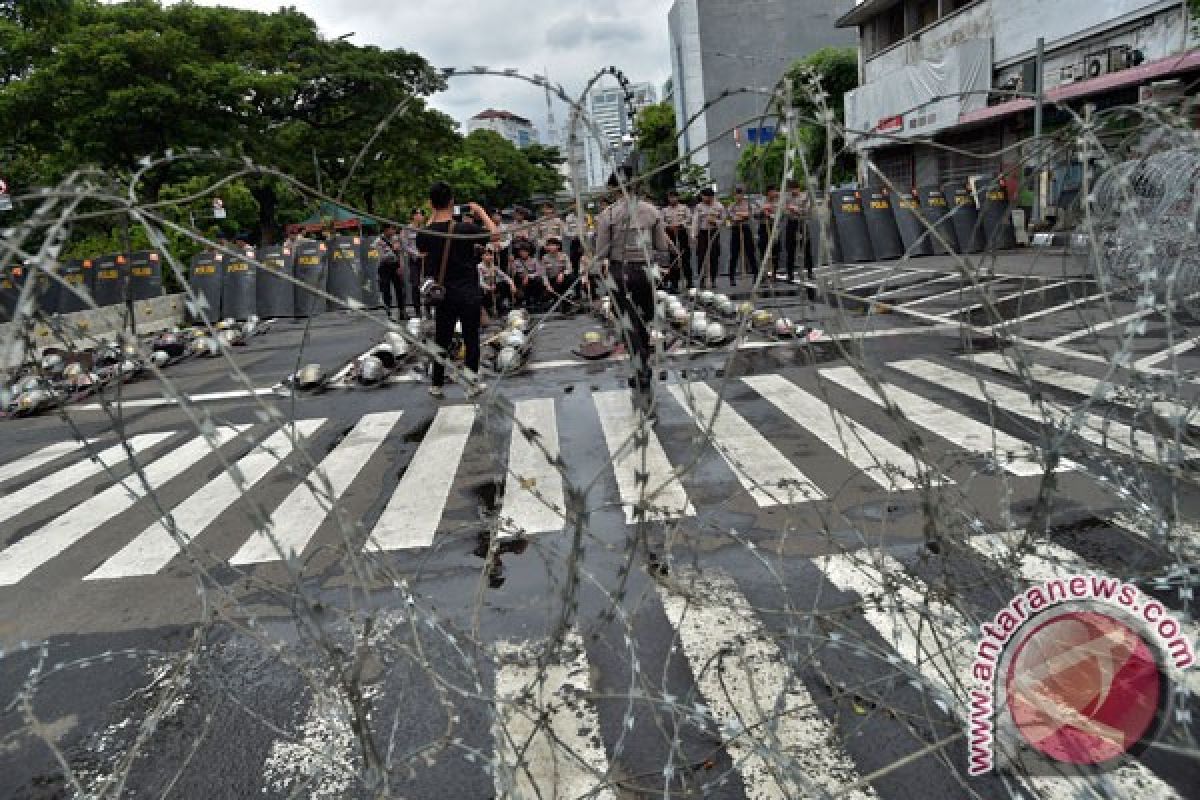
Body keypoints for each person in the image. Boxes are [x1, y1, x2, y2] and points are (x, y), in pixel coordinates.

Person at [595, 166, 672, 414]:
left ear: (615, 188)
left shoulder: (608, 214)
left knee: (629, 322)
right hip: (647, 271)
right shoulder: (652, 211)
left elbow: (601, 251)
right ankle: (644, 364)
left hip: (622, 272)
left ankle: (641, 367)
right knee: (645, 318)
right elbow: (661, 245)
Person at [415, 182, 497, 399]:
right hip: (468, 292)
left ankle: (436, 384)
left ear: (431, 204)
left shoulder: (425, 233)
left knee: (442, 338)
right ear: (452, 202)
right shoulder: (464, 229)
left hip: (443, 294)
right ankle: (471, 385)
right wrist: (479, 211)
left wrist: (433, 215)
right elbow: (495, 234)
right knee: (471, 339)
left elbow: (421, 248)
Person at [691, 188, 726, 289]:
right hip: (702, 233)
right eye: (703, 196)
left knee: (714, 256)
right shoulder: (699, 207)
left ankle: (713, 279)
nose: (705, 198)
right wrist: (694, 235)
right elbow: (695, 221)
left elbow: (724, 220)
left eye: (707, 196)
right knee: (701, 256)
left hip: (714, 232)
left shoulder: (719, 206)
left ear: (712, 196)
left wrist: (715, 222)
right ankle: (701, 279)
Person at [660, 190, 692, 293]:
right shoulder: (664, 210)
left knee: (685, 258)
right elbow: (661, 222)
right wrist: (669, 226)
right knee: (673, 260)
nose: (672, 199)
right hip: (671, 235)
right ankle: (674, 284)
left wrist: (680, 224)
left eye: (674, 197)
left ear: (678, 197)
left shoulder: (684, 208)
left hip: (682, 233)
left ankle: (690, 282)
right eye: (670, 197)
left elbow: (689, 219)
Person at [373, 222, 407, 320]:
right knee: (386, 290)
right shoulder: (378, 241)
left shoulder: (396, 238)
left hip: (396, 266)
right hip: (384, 267)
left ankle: (402, 311)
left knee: (400, 289)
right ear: (386, 230)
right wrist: (392, 248)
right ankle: (389, 313)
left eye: (394, 229)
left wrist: (401, 266)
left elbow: (401, 252)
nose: (393, 231)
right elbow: (382, 256)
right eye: (391, 229)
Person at [783, 181, 811, 284]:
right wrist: (792, 210)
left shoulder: (804, 197)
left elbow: (806, 210)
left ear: (799, 188)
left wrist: (795, 209)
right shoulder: (787, 198)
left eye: (795, 189)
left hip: (802, 223)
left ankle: (810, 271)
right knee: (790, 249)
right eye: (791, 189)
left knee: (806, 247)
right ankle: (790, 274)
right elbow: (784, 211)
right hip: (791, 223)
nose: (793, 191)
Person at [728, 185, 756, 286]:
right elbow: (731, 217)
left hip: (745, 228)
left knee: (750, 252)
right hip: (735, 229)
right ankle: (731, 277)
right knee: (734, 254)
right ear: (734, 195)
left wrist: (741, 215)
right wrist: (740, 215)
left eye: (740, 194)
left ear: (743, 195)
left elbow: (748, 215)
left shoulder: (748, 204)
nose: (738, 196)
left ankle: (756, 274)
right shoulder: (732, 205)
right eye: (736, 194)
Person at [403, 209, 427, 319]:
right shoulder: (407, 229)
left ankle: (428, 309)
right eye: (417, 214)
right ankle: (417, 310)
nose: (420, 216)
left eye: (421, 214)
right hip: (414, 260)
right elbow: (405, 246)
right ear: (413, 216)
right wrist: (417, 254)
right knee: (415, 284)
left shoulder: (425, 229)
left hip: (426, 260)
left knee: (428, 283)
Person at [756, 187, 782, 287]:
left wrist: (771, 215)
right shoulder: (760, 202)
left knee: (775, 251)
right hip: (763, 228)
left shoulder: (778, 203)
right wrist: (763, 211)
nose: (775, 193)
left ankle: (774, 273)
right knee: (763, 250)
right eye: (772, 191)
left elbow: (781, 215)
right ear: (768, 192)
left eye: (775, 191)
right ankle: (764, 273)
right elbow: (754, 214)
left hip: (774, 228)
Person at [479, 246, 514, 316]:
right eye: (487, 255)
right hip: (483, 290)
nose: (489, 257)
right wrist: (488, 288)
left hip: (493, 288)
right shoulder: (479, 267)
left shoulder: (494, 267)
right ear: (482, 256)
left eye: (490, 255)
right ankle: (488, 308)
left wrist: (512, 284)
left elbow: (505, 276)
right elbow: (480, 282)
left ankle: (500, 305)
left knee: (503, 284)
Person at [509, 240, 541, 309]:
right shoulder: (516, 262)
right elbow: (513, 274)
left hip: (532, 281)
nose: (522, 253)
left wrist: (528, 276)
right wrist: (511, 264)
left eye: (524, 251)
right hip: (520, 282)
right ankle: (519, 299)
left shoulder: (534, 260)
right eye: (521, 252)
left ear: (528, 252)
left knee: (539, 280)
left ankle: (534, 300)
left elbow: (539, 272)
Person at [540, 237, 573, 302]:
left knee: (571, 277)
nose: (551, 247)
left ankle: (567, 295)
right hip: (552, 281)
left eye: (553, 245)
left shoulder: (564, 256)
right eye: (549, 245)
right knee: (548, 296)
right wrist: (547, 285)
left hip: (562, 279)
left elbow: (569, 269)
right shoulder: (545, 258)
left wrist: (562, 273)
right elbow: (543, 274)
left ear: (558, 246)